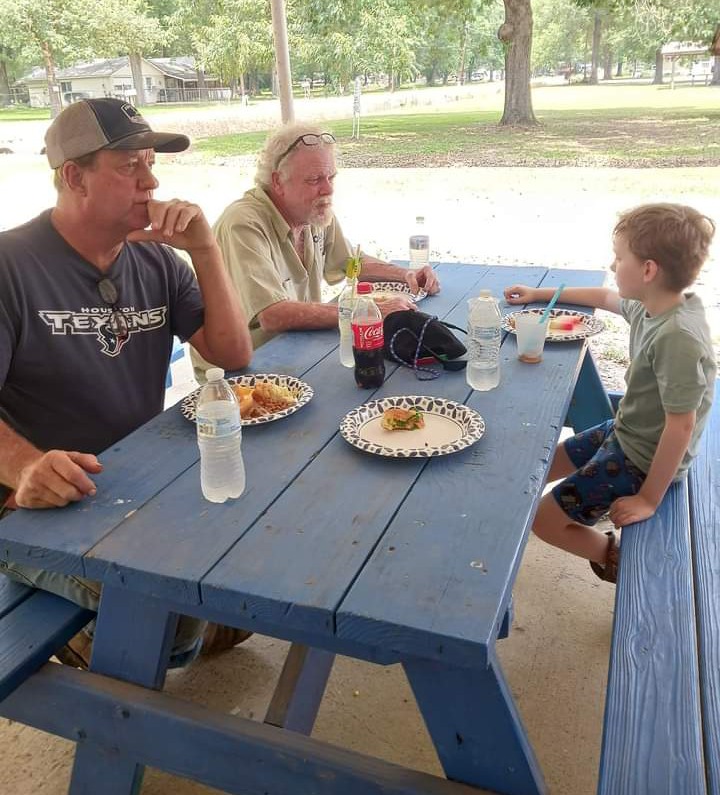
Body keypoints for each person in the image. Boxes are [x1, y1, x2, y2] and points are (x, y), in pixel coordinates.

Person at [0, 97, 254, 666]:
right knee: (168, 618)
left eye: (151, 163)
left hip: (135, 478)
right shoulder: (10, 266)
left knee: (254, 554)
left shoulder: (158, 262)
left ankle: (186, 623)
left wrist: (205, 250)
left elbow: (232, 354)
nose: (151, 181)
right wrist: (25, 467)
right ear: (74, 177)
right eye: (129, 165)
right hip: (33, 504)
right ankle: (112, 635)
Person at [504, 203, 716, 584]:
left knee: (544, 520)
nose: (612, 264)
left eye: (619, 258)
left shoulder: (677, 337)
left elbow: (681, 426)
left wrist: (648, 498)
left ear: (648, 270)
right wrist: (538, 293)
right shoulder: (655, 305)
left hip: (643, 459)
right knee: (539, 466)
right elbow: (604, 298)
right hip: (626, 431)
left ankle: (617, 559)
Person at [195, 122, 440, 366]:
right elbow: (272, 315)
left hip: (298, 348)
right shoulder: (243, 224)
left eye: (331, 177)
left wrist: (406, 275)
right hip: (243, 369)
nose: (328, 189)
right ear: (278, 181)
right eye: (314, 180)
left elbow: (350, 264)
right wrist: (364, 312)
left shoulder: (312, 212)